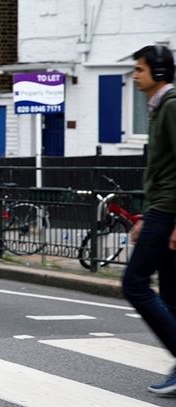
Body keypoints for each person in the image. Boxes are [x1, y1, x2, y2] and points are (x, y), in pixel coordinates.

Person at [123, 44, 176, 395]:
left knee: (134, 283)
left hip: (170, 210)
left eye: (139, 69)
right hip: (161, 209)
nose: (134, 75)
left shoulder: (171, 107)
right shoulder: (159, 107)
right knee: (171, 293)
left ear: (158, 72)